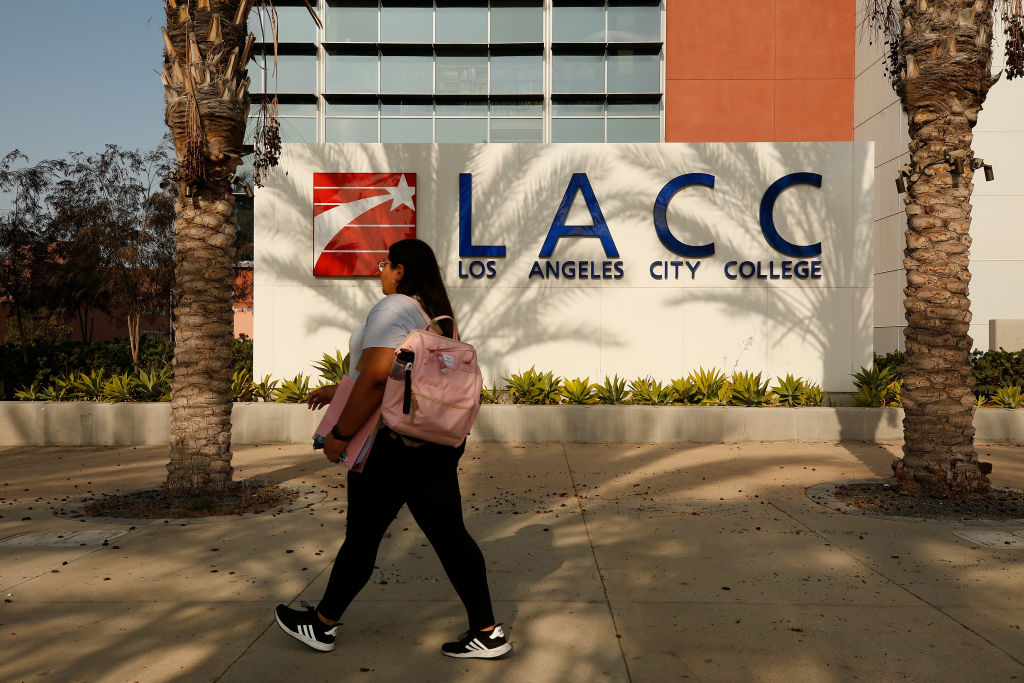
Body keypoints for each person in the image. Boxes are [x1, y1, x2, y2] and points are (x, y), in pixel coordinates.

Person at [274, 238, 511, 659]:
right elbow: (408, 378)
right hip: (434, 445)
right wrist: (340, 391)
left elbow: (379, 378)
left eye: (384, 264)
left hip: (389, 445)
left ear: (401, 270)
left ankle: (322, 625)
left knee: (363, 536)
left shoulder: (393, 307)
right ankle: (487, 631)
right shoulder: (435, 315)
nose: (378, 271)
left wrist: (341, 435)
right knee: (451, 536)